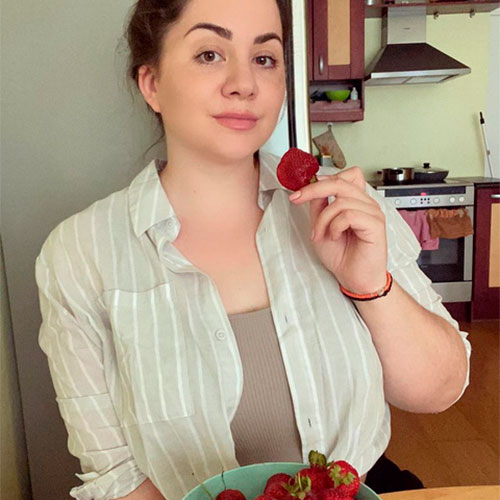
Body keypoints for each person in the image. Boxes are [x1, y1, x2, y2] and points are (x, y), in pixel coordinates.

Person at [35, 0, 471, 499]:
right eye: (209, 54)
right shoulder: (79, 255)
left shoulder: (344, 206)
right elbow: (116, 477)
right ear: (151, 83)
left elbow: (438, 391)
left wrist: (370, 285)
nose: (244, 83)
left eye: (264, 58)